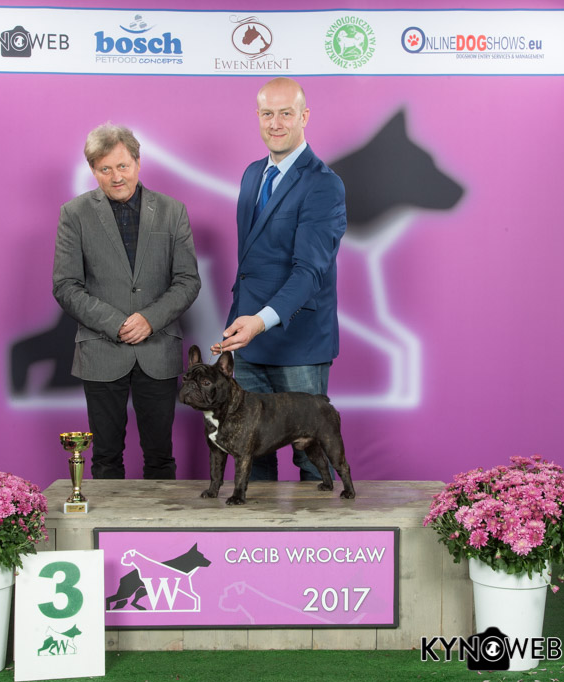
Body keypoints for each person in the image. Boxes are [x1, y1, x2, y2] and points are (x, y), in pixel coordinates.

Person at [210, 77, 346, 481]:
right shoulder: (252, 174)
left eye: (286, 113)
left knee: (312, 457)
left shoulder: (323, 184)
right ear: (257, 116)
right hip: (248, 341)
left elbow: (309, 272)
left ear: (304, 116)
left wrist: (259, 321)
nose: (276, 123)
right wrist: (243, 323)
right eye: (268, 113)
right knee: (248, 453)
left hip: (299, 342)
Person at [54, 122, 200, 480]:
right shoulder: (74, 214)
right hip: (101, 349)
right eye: (105, 169)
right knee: (105, 458)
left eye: (122, 166)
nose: (116, 176)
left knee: (160, 457)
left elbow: (187, 280)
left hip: (158, 348)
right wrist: (115, 324)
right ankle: (108, 521)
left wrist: (150, 319)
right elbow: (66, 285)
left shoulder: (172, 211)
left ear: (137, 162)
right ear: (93, 170)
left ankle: (163, 521)